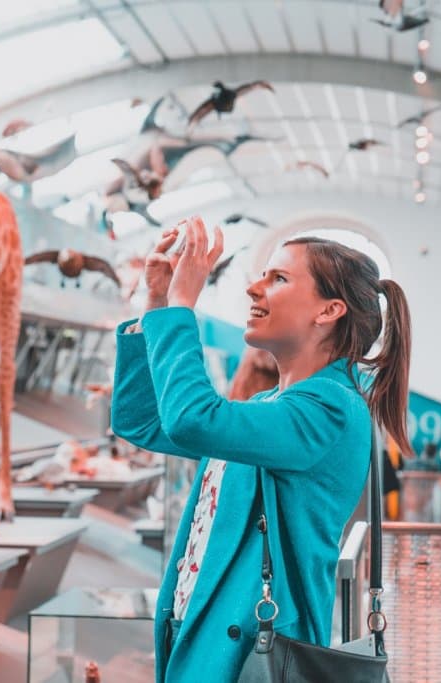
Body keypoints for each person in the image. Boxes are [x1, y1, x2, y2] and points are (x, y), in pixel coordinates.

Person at [111, 216, 412, 682]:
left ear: (328, 311)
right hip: (201, 636)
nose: (254, 288)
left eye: (279, 278)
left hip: (250, 656)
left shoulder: (330, 410)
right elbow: (143, 422)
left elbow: (192, 418)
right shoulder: (268, 404)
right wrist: (154, 305)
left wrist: (182, 307)